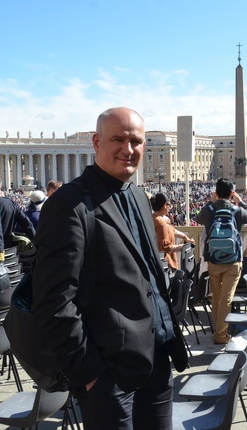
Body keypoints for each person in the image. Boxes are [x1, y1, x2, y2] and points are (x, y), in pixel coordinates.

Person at [31, 107, 188, 430]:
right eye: (118, 139)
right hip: (109, 372)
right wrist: (89, 374)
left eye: (136, 141)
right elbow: (53, 300)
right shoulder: (69, 204)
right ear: (96, 142)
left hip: (156, 359)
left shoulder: (139, 196)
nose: (128, 149)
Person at [195, 178, 247, 344]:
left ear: (216, 193)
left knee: (216, 296)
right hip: (233, 260)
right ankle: (221, 335)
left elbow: (198, 218)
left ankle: (218, 330)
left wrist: (210, 201)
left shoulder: (210, 209)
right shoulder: (236, 210)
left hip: (214, 259)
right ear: (231, 194)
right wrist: (241, 201)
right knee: (226, 298)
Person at [0, 176, 35, 249]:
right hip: (8, 249)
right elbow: (27, 225)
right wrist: (36, 240)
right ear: (0, 190)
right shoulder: (12, 204)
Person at [150, 193, 194, 270]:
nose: (170, 208)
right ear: (164, 205)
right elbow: (167, 248)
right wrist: (183, 247)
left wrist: (185, 237)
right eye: (169, 205)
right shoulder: (161, 223)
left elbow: (172, 230)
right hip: (166, 265)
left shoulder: (155, 218)